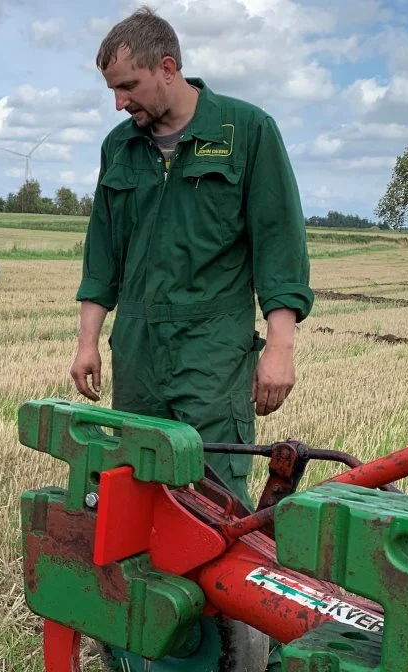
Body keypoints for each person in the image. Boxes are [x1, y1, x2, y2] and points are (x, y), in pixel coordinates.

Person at [70, 6, 313, 671]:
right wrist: (89, 338)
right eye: (113, 92)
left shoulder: (247, 132)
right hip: (139, 350)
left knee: (216, 506)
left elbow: (279, 244)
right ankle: (145, 643)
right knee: (137, 492)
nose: (120, 104)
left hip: (212, 352)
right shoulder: (120, 149)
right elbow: (103, 253)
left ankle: (225, 655)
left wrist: (279, 344)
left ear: (168, 68)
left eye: (130, 87)